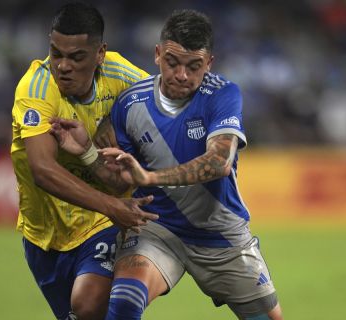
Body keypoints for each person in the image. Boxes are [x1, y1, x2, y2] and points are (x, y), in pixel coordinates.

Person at [50, 8, 284, 320]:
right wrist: (86, 152)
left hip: (221, 236)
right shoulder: (131, 103)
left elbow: (218, 163)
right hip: (157, 230)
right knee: (124, 300)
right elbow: (119, 182)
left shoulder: (223, 94)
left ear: (209, 64)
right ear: (158, 55)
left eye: (194, 66)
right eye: (173, 62)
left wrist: (148, 177)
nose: (182, 74)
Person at [10, 3, 159, 320]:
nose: (63, 66)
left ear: (100, 53)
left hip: (103, 224)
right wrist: (111, 204)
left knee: (89, 304)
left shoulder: (120, 76)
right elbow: (42, 170)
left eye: (76, 57)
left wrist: (118, 119)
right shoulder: (36, 89)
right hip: (43, 234)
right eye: (56, 53)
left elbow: (167, 102)